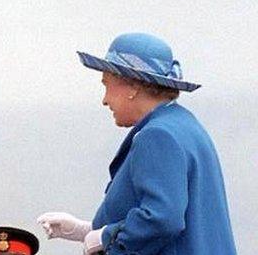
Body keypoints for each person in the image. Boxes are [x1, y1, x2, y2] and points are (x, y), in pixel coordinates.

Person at [36, 33, 236, 254]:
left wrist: (103, 237)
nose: (105, 99)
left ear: (132, 87)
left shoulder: (158, 135)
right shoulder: (183, 124)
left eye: (107, 85)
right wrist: (86, 230)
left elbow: (163, 219)